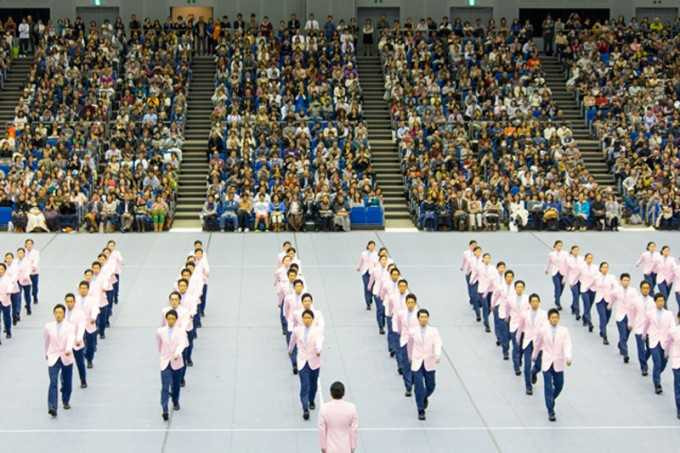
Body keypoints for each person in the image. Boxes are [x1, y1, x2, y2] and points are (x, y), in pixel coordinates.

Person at [532, 308, 573, 422]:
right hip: (547, 361)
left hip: (559, 362)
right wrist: (534, 355)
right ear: (549, 319)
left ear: (558, 319)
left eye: (556, 318)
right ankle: (551, 410)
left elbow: (567, 344)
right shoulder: (543, 330)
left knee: (559, 385)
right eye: (552, 318)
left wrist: (568, 357)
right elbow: (538, 343)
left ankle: (550, 399)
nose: (554, 320)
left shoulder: (564, 331)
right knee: (548, 386)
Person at [408, 308, 442, 420]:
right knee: (418, 386)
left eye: (425, 317)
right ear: (418, 319)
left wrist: (437, 354)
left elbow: (437, 343)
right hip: (417, 361)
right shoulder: (413, 331)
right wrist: (410, 357)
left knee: (431, 386)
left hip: (429, 361)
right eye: (421, 317)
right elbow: (410, 345)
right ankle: (421, 410)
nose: (423, 319)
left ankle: (424, 397)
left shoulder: (434, 331)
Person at [289, 309, 324, 420]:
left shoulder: (317, 331)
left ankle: (311, 399)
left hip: (314, 360)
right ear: (302, 319)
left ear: (312, 319)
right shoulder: (297, 330)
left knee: (313, 383)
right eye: (305, 318)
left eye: (309, 318)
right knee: (305, 384)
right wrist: (290, 350)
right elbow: (292, 341)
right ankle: (305, 408)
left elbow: (319, 342)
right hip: (302, 361)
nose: (307, 320)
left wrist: (318, 350)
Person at [157, 309, 189, 421]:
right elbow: (159, 345)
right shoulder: (160, 332)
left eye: (173, 319)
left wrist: (177, 353)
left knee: (175, 386)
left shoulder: (181, 332)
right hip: (165, 362)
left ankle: (175, 400)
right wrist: (163, 356)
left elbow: (182, 344)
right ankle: (164, 409)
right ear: (166, 319)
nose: (170, 321)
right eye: (169, 318)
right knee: (165, 386)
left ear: (176, 320)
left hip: (176, 362)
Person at [44, 304, 75, 417]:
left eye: (60, 313)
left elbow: (71, 338)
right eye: (56, 313)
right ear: (54, 314)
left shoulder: (70, 327)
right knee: (53, 381)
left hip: (66, 356)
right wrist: (46, 353)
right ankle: (52, 407)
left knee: (67, 382)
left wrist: (68, 349)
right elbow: (46, 341)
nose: (58, 315)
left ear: (64, 314)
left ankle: (65, 399)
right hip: (53, 356)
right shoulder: (48, 326)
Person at [641, 293, 674, 394]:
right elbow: (646, 324)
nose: (661, 303)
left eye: (662, 301)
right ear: (655, 302)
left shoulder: (669, 314)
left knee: (663, 364)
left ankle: (656, 375)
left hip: (665, 342)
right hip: (654, 341)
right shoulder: (650, 313)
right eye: (659, 301)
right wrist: (643, 334)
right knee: (657, 362)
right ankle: (657, 384)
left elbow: (672, 328)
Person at [519, 293, 548, 395]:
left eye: (536, 301)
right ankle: (528, 386)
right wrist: (518, 339)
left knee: (539, 365)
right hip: (528, 341)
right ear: (530, 303)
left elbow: (546, 329)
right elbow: (520, 328)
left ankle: (534, 372)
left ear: (539, 302)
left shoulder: (544, 314)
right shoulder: (524, 314)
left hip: (539, 343)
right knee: (527, 365)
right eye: (533, 302)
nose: (535, 303)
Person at [318, 381, 359, 453]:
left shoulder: (324, 408)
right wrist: (352, 447)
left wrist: (323, 447)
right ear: (344, 393)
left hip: (330, 448)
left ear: (331, 393)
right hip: (346, 448)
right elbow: (354, 430)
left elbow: (322, 430)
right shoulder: (352, 408)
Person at [394, 293, 419, 396]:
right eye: (408, 302)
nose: (410, 304)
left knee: (415, 364)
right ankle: (408, 387)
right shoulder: (401, 314)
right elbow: (399, 327)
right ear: (406, 303)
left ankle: (414, 380)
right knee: (406, 365)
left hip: (416, 343)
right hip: (405, 341)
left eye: (412, 302)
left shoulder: (419, 315)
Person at [64, 293, 88, 388]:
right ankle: (64, 383)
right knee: (65, 364)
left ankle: (83, 380)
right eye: (67, 301)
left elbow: (82, 327)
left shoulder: (79, 313)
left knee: (80, 363)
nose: (69, 303)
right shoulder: (63, 313)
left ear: (74, 302)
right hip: (65, 344)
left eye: (71, 301)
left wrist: (79, 339)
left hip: (76, 343)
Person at [75, 281, 100, 369]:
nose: (83, 290)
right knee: (79, 343)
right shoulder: (75, 300)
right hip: (78, 326)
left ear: (88, 290)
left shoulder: (92, 300)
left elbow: (95, 309)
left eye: (85, 288)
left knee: (91, 345)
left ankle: (89, 359)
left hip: (89, 324)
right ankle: (82, 357)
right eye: (81, 288)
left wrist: (93, 317)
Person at [594, 262, 617, 345]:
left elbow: (616, 287)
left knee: (607, 317)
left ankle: (602, 328)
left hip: (608, 300)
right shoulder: (596, 277)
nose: (605, 269)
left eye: (607, 267)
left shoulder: (611, 277)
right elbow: (592, 285)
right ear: (600, 268)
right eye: (603, 267)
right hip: (599, 300)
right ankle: (605, 336)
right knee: (603, 317)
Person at [663, 314, 680, 419]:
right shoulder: (673, 331)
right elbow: (668, 342)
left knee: (678, 386)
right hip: (677, 361)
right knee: (678, 385)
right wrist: (666, 352)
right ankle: (679, 408)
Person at [578, 253, 598, 332]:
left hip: (593, 289)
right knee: (587, 305)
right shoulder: (581, 268)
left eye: (591, 258)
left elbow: (597, 277)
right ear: (585, 259)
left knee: (589, 306)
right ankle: (590, 323)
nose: (590, 259)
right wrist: (572, 283)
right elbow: (577, 276)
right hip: (584, 289)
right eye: (588, 258)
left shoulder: (596, 267)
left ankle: (584, 317)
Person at [545, 240, 568, 310]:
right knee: (557, 287)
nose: (559, 247)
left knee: (561, 288)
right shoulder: (551, 254)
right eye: (558, 245)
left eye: (561, 245)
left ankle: (557, 297)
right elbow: (549, 262)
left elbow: (567, 263)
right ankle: (558, 303)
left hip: (563, 273)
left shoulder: (565, 253)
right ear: (555, 246)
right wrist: (547, 269)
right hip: (555, 272)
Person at [356, 241, 377, 310]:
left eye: (373, 246)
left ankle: (370, 298)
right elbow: (361, 261)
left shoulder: (376, 254)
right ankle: (368, 303)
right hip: (365, 272)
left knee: (371, 287)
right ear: (368, 246)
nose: (372, 247)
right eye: (370, 245)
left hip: (372, 273)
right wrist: (359, 267)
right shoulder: (363, 253)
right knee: (366, 286)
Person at [565, 245, 583, 318]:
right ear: (571, 251)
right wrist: (566, 279)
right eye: (575, 250)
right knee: (576, 295)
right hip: (572, 280)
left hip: (581, 280)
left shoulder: (581, 258)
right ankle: (577, 312)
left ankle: (573, 306)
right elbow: (568, 269)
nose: (576, 252)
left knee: (578, 295)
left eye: (577, 250)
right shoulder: (568, 259)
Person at [25, 238, 40, 305]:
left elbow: (36, 260)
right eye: (28, 244)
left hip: (34, 273)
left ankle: (35, 296)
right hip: (25, 273)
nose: (29, 245)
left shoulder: (36, 252)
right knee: (27, 288)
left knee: (35, 287)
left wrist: (34, 266)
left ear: (32, 245)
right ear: (25, 245)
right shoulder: (23, 252)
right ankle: (28, 301)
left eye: (30, 244)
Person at [0, 263, 11, 339]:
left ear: (4, 270)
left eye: (1, 269)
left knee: (6, 317)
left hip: (5, 300)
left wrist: (8, 291)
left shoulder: (8, 278)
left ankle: (8, 331)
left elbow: (10, 286)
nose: (0, 271)